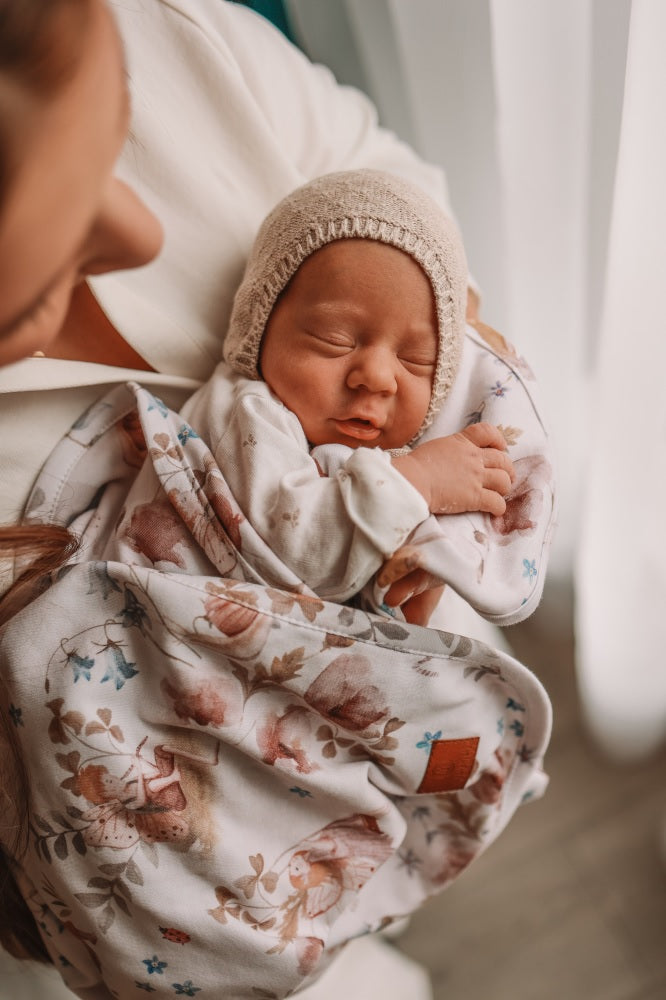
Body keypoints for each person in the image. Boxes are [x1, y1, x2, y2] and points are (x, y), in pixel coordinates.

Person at [0, 2, 554, 997]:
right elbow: (272, 522)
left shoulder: (150, 29)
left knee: (374, 828)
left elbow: (400, 192)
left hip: (369, 682)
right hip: (141, 823)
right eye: (44, 234)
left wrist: (440, 447)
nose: (140, 227)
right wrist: (404, 488)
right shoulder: (245, 415)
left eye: (117, 108)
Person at [182, 167, 515, 613]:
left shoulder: (392, 451)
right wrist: (418, 481)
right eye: (334, 339)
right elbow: (296, 554)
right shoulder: (247, 409)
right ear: (257, 330)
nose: (377, 377)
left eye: (416, 359)